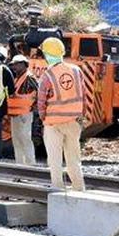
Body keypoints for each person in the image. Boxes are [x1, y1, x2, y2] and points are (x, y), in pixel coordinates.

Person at [38, 37, 86, 191]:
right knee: (74, 159)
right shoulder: (76, 70)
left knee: (55, 159)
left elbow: (41, 102)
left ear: (47, 55)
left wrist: (43, 118)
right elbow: (84, 95)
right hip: (74, 121)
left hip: (53, 123)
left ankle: (58, 188)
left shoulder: (47, 75)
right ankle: (79, 189)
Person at [7, 55, 38, 166]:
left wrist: (34, 106)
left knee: (25, 139)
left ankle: (30, 166)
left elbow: (38, 92)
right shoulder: (16, 79)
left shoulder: (29, 78)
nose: (14, 67)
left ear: (24, 65)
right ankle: (19, 166)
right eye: (13, 65)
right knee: (17, 141)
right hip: (15, 115)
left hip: (24, 114)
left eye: (17, 64)